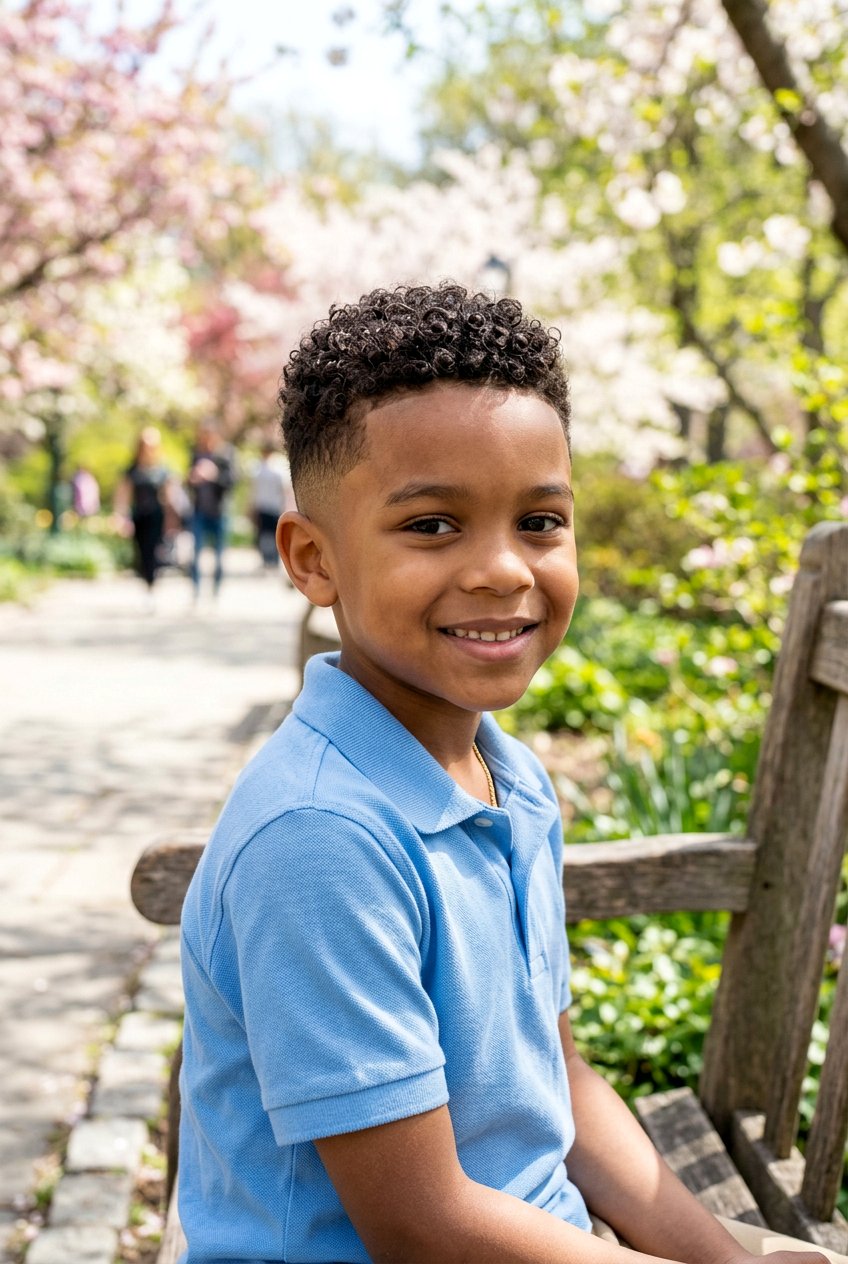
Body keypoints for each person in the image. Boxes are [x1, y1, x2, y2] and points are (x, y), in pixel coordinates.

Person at [177, 284, 841, 1264]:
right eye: (432, 526)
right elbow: (420, 1224)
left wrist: (725, 1258)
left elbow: (558, 1080)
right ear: (312, 558)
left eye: (538, 521)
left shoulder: (507, 774)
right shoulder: (319, 835)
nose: (501, 569)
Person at [116, 427, 171, 600]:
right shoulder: (132, 470)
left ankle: (152, 583)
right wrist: (121, 517)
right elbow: (123, 495)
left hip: (156, 516)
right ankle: (147, 583)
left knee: (155, 551)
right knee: (142, 552)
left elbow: (168, 496)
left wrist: (172, 519)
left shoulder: (162, 470)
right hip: (139, 516)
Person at [186, 421, 237, 598]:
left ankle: (216, 590)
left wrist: (213, 475)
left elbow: (231, 481)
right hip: (199, 509)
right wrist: (192, 478)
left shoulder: (225, 454)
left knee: (219, 554)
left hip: (219, 511)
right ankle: (196, 591)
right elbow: (187, 481)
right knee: (195, 553)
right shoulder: (195, 453)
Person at [250, 440, 292, 570]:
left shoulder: (276, 467)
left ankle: (272, 560)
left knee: (272, 534)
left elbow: (284, 489)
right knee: (265, 534)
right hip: (265, 505)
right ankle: (268, 560)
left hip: (272, 505)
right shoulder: (259, 467)